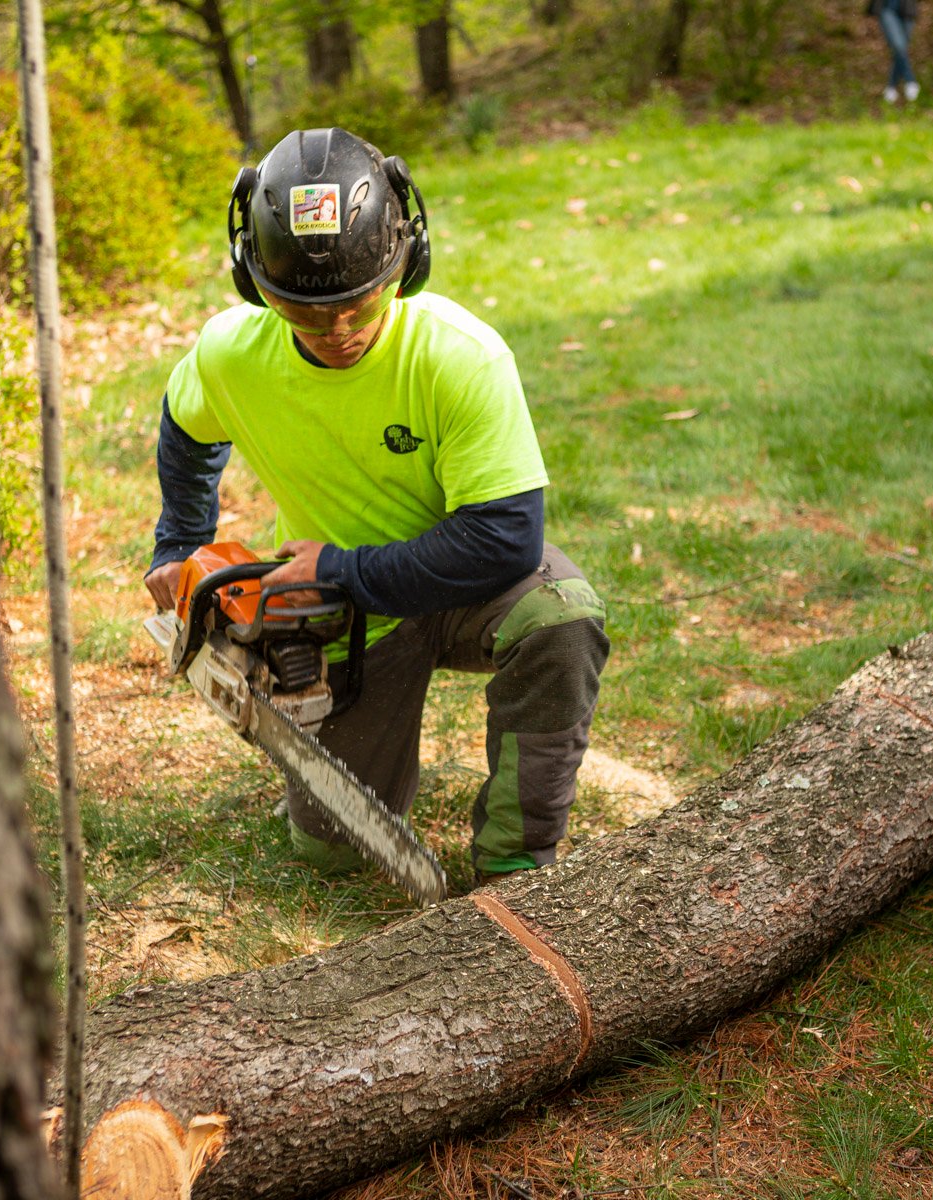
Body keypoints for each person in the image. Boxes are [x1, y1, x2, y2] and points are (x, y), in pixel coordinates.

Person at [145, 127, 610, 887]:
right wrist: (179, 544)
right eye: (306, 312)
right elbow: (185, 425)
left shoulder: (461, 357)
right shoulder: (231, 355)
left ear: (407, 264)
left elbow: (508, 541)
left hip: (457, 582)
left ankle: (518, 861)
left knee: (559, 618)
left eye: (359, 303)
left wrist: (344, 568)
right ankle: (347, 763)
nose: (339, 331)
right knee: (335, 851)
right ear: (252, 282)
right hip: (347, 613)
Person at [868, 0, 920, 104]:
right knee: (898, 45)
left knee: (901, 50)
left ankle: (891, 86)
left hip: (908, 8)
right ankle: (910, 80)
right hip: (886, 7)